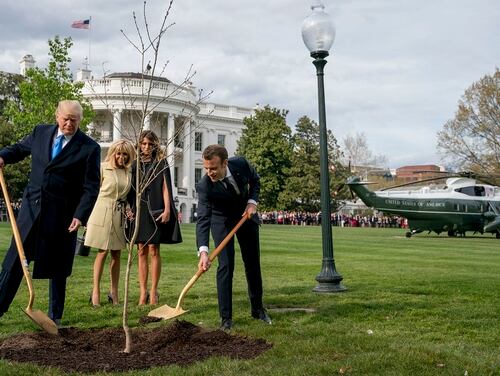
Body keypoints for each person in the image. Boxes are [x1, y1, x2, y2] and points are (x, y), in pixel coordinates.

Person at [0, 100, 100, 326]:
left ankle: (54, 316)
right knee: (15, 260)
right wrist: (3, 156)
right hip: (31, 209)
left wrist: (80, 214)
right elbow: (18, 149)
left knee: (58, 266)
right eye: (65, 118)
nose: (69, 123)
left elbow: (91, 186)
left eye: (74, 120)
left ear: (80, 121)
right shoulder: (40, 133)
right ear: (57, 116)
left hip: (63, 215)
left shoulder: (89, 148)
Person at [196, 144, 271, 331]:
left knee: (252, 263)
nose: (209, 172)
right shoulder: (204, 186)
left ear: (225, 163)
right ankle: (226, 318)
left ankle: (257, 309)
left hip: (246, 216)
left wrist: (252, 202)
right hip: (221, 221)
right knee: (226, 265)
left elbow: (255, 180)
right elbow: (203, 219)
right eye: (206, 168)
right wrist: (203, 251)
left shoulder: (241, 164)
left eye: (213, 168)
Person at [128, 130, 182, 305]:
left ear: (155, 145)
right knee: (141, 250)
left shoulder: (161, 163)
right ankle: (143, 292)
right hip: (139, 209)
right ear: (139, 144)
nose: (146, 147)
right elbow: (129, 190)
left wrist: (167, 210)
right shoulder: (134, 164)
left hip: (156, 209)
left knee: (154, 249)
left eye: (150, 144)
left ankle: (153, 291)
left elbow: (166, 188)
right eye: (143, 143)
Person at [85, 139, 136, 306]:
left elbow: (125, 195)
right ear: (113, 153)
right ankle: (95, 292)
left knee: (116, 253)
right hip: (101, 211)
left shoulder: (129, 172)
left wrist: (128, 208)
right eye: (118, 153)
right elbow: (91, 191)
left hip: (119, 215)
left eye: (125, 154)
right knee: (102, 251)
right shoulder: (102, 167)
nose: (121, 157)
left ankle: (114, 292)